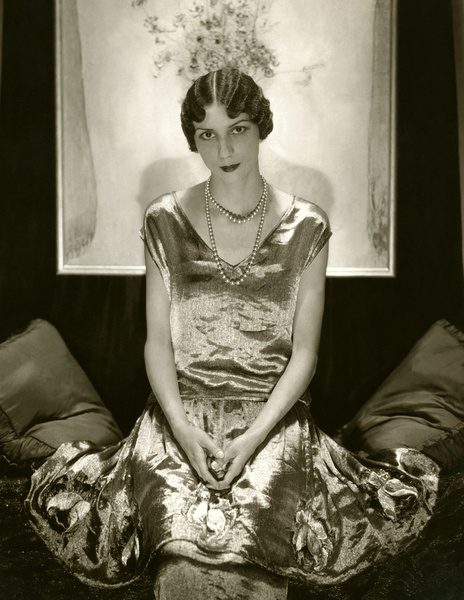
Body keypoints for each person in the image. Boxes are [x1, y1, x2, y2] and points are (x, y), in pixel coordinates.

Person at [26, 68, 439, 598]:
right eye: (207, 134)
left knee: (256, 532)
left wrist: (253, 438)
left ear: (260, 126)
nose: (223, 149)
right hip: (178, 412)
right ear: (193, 139)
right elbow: (157, 343)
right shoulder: (162, 220)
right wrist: (179, 429)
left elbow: (305, 354)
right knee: (177, 540)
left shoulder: (308, 226)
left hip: (273, 415)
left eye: (237, 129)